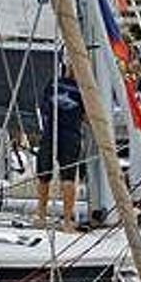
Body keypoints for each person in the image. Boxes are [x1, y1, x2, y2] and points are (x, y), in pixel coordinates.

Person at [36, 63, 84, 231]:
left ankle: (42, 216)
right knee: (66, 177)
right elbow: (88, 116)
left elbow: (43, 106)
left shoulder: (54, 83)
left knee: (46, 174)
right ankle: (65, 221)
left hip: (52, 132)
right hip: (68, 134)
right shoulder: (84, 89)